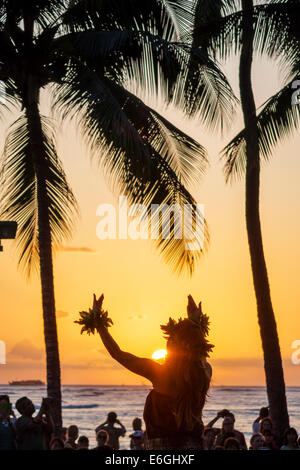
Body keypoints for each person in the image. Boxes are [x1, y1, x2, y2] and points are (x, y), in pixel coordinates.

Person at [87, 293, 214, 450]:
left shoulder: (161, 374)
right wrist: (195, 324)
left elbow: (118, 354)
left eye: (171, 339)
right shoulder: (204, 373)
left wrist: (98, 320)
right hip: (193, 446)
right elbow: (198, 353)